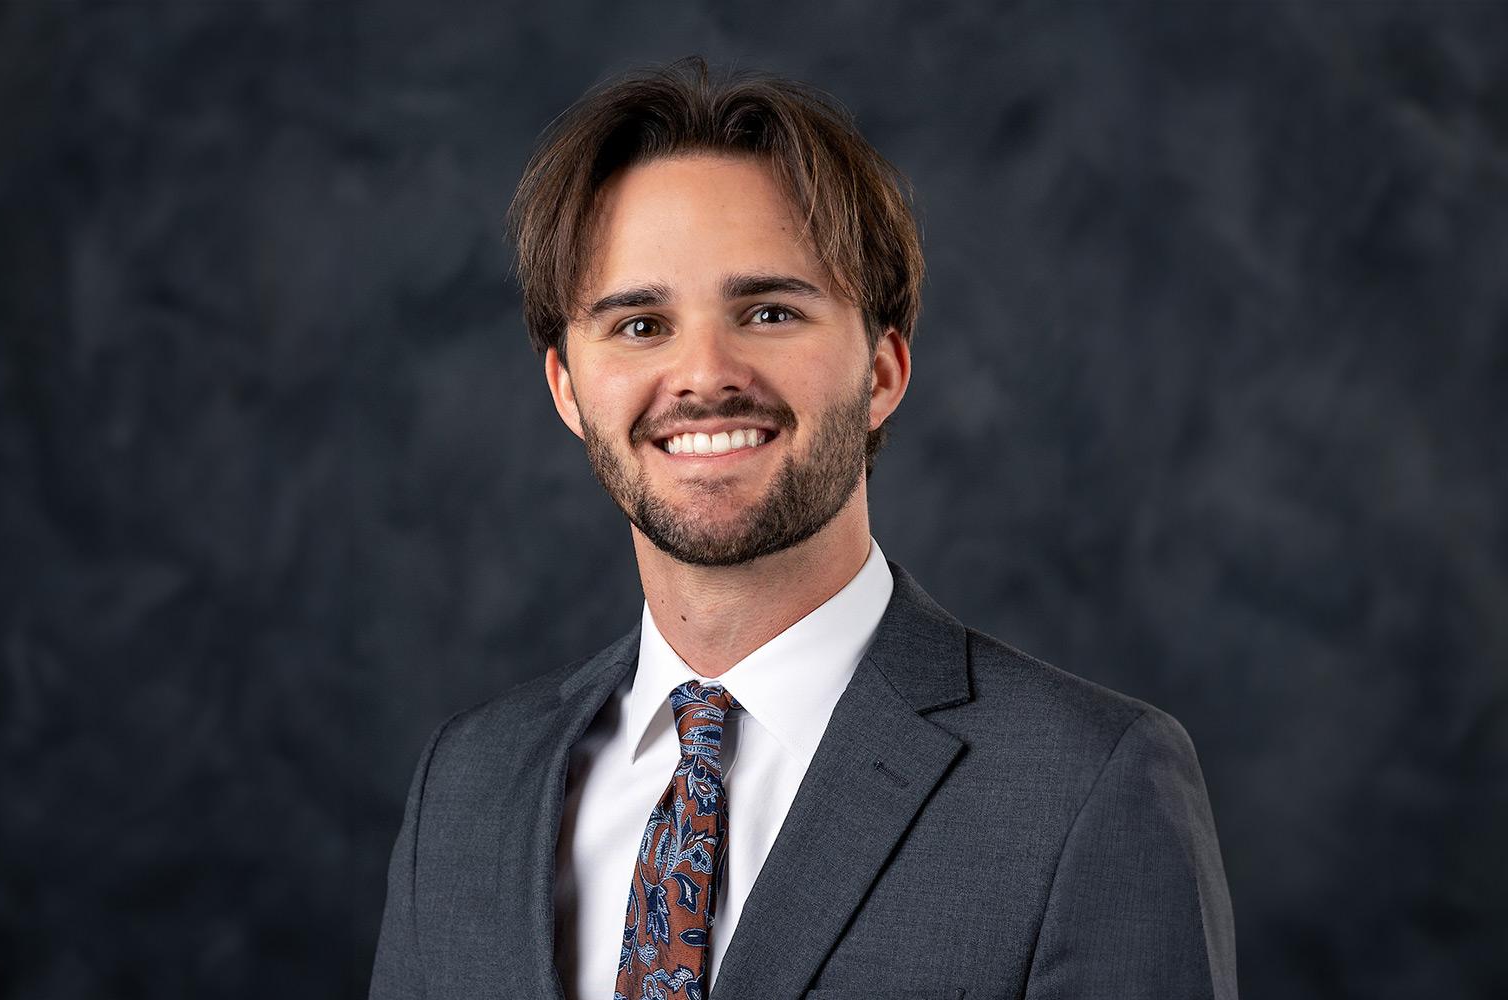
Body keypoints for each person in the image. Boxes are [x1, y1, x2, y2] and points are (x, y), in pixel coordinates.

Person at [369, 58, 1236, 1000]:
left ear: (882, 372)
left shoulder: (1089, 785)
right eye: (640, 325)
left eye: (770, 311)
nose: (705, 373)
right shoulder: (468, 786)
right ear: (567, 390)